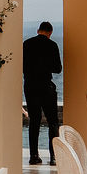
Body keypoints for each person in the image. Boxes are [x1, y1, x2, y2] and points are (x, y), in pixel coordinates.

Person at [22, 21, 62, 166]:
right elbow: (58, 68)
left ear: (38, 30)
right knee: (53, 122)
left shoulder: (26, 44)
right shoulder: (52, 45)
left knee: (34, 121)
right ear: (50, 33)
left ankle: (34, 156)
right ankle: (53, 157)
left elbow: (22, 66)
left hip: (30, 86)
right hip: (46, 86)